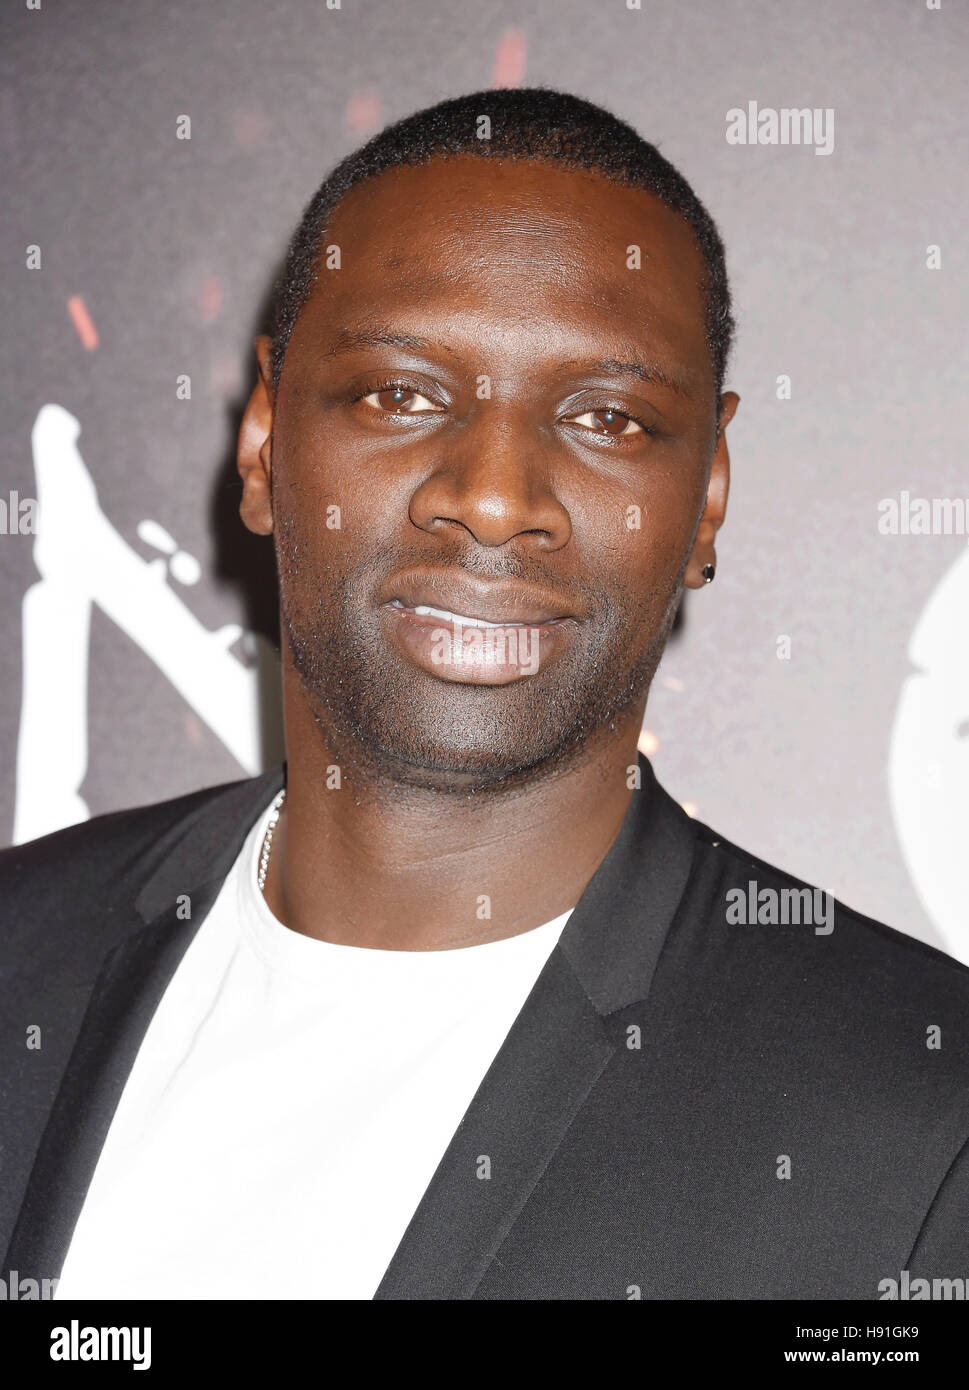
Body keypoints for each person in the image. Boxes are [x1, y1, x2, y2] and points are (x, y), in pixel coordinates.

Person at [2, 87, 967, 1302]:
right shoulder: (20, 953)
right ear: (262, 440)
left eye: (607, 416)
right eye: (401, 393)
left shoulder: (927, 1127)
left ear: (707, 497)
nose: (497, 496)